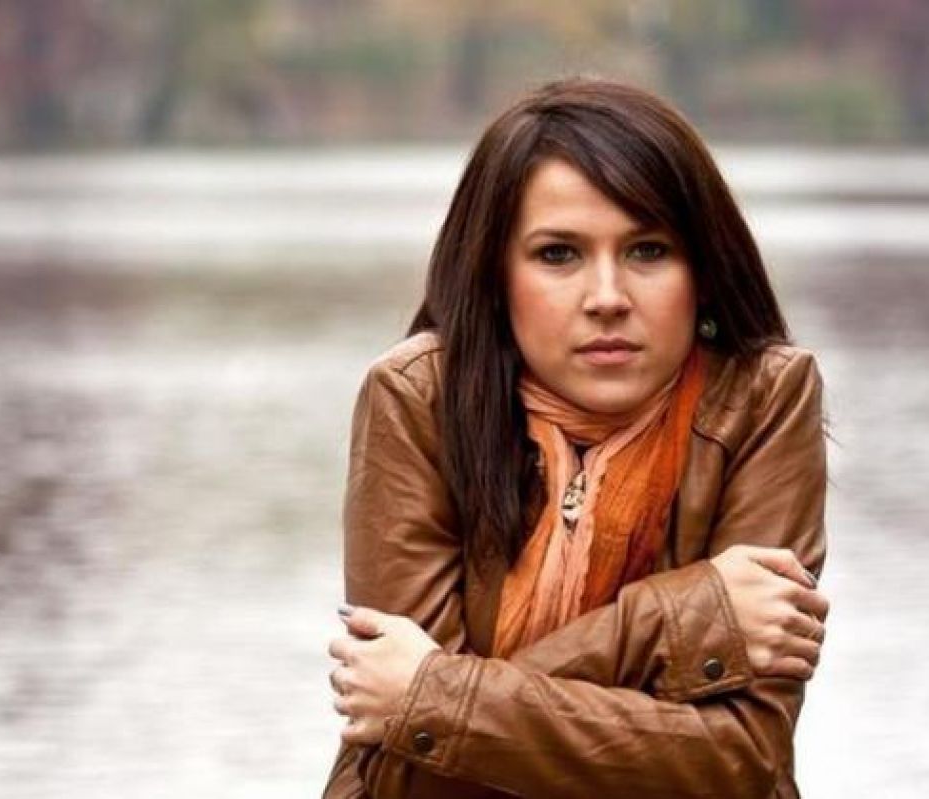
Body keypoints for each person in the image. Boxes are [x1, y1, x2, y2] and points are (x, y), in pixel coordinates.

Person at [323, 77, 829, 799]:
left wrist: (434, 694)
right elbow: (410, 776)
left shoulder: (763, 400)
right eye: (559, 254)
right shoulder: (418, 399)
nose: (608, 297)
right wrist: (684, 615)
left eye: (648, 250)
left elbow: (742, 758)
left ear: (703, 268)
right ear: (494, 273)